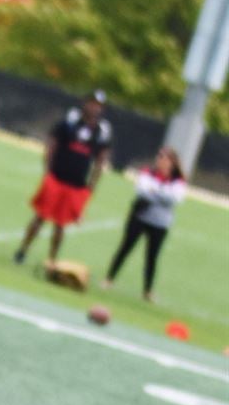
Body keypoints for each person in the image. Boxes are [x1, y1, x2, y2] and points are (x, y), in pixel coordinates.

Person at [14, 90, 113, 265]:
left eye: (98, 105)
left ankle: (52, 258)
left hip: (76, 183)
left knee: (61, 224)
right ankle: (23, 249)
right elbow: (52, 144)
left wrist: (92, 185)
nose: (94, 108)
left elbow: (100, 160)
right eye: (92, 103)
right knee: (40, 216)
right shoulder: (70, 121)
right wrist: (48, 170)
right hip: (57, 177)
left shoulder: (101, 131)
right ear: (85, 102)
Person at [101, 147, 186, 302]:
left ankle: (147, 291)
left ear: (172, 162)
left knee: (152, 257)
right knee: (125, 247)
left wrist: (155, 192)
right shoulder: (148, 172)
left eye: (164, 158)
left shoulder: (177, 181)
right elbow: (142, 191)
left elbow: (173, 199)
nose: (160, 160)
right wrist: (160, 194)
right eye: (159, 156)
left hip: (160, 223)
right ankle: (109, 278)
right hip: (140, 217)